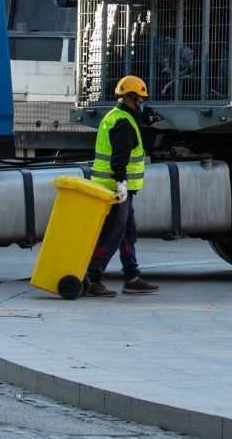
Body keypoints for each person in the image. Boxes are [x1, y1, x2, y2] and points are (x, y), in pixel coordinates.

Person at [85, 75, 159, 297]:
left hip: (118, 190)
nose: (142, 104)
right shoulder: (123, 122)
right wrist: (121, 183)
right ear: (130, 98)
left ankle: (132, 277)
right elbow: (120, 158)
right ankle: (93, 278)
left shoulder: (116, 117)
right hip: (115, 191)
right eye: (140, 99)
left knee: (127, 234)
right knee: (112, 235)